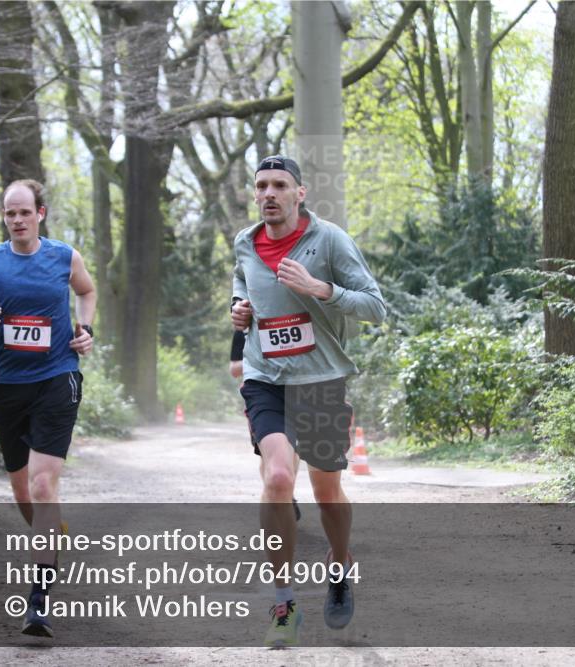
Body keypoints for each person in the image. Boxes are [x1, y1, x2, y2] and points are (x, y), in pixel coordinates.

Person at [231, 155, 386, 647]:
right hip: (265, 378)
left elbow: (375, 308)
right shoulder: (244, 242)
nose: (269, 193)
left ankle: (339, 565)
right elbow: (242, 285)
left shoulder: (330, 240)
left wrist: (321, 288)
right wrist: (238, 311)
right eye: (261, 186)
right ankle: (283, 601)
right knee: (278, 478)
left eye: (280, 185)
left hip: (321, 379)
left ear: (300, 194)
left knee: (326, 493)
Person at [0, 179, 96, 638]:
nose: (16, 220)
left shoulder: (64, 257)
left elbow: (87, 291)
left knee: (44, 482)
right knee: (25, 496)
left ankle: (38, 603)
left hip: (57, 378)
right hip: (8, 387)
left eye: (24, 212)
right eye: (10, 214)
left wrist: (85, 328)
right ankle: (52, 537)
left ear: (40, 213)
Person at [230, 329, 301, 523]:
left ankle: (287, 493)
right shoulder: (242, 331)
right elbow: (234, 369)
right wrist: (260, 358)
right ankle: (273, 490)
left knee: (293, 450)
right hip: (260, 395)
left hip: (296, 389)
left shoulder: (290, 321)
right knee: (267, 454)